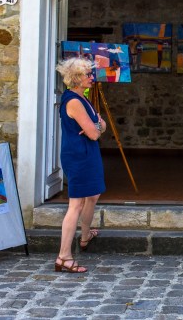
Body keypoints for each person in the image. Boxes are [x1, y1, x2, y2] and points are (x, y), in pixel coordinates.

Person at [54, 57, 107, 273]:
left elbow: (99, 126)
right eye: (88, 74)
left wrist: (96, 126)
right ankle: (64, 257)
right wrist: (96, 126)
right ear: (76, 79)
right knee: (75, 204)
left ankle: (85, 237)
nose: (92, 77)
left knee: (92, 196)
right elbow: (96, 132)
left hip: (86, 153)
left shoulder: (81, 97)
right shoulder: (74, 101)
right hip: (79, 155)